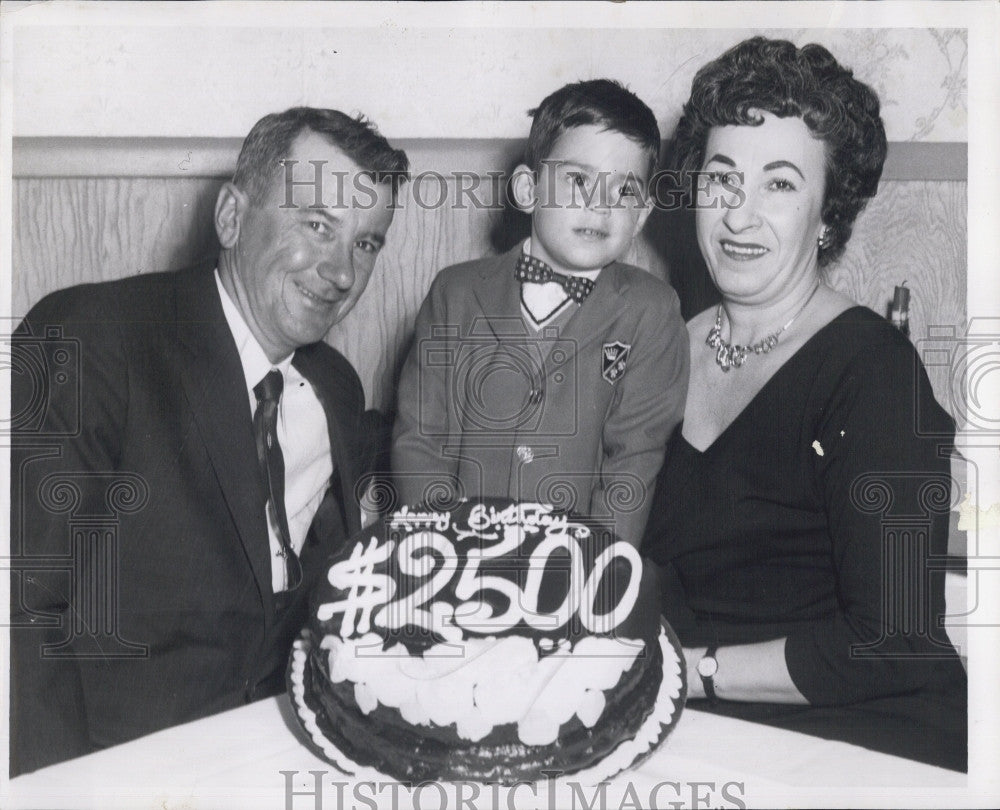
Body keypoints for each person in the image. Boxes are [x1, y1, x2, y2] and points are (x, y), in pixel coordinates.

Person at [9, 107, 409, 775]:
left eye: (365, 243)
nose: (341, 272)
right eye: (318, 226)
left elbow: (325, 589)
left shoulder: (334, 386)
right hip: (117, 764)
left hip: (277, 747)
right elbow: (20, 610)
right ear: (231, 217)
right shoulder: (93, 340)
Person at [641, 37, 967, 771]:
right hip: (711, 732)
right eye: (722, 178)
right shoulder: (658, 346)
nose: (739, 215)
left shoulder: (874, 371)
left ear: (828, 214)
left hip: (872, 740)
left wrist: (690, 673)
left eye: (779, 184)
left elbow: (897, 637)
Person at [391, 79, 688, 547]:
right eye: (578, 180)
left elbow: (633, 462)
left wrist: (596, 575)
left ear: (643, 216)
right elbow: (422, 442)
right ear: (528, 189)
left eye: (624, 191)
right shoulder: (456, 292)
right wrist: (438, 552)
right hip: (455, 555)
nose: (599, 205)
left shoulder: (652, 312)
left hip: (575, 569)